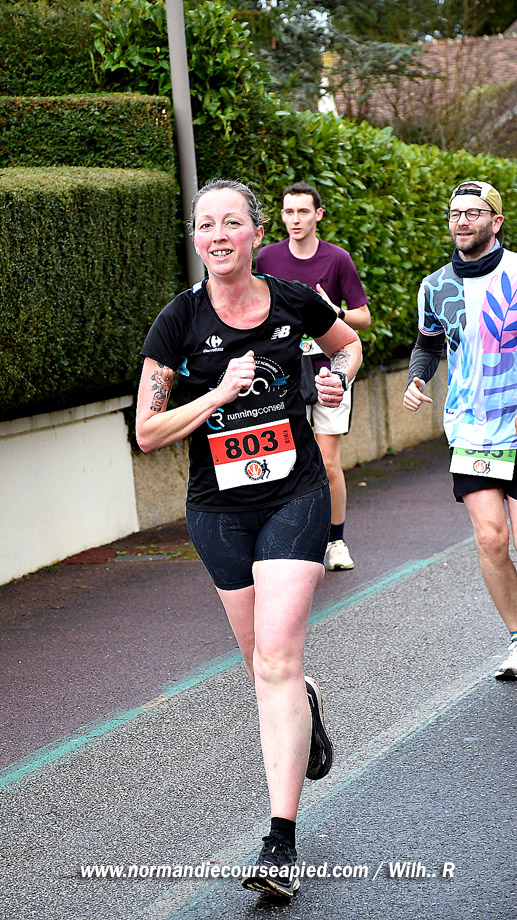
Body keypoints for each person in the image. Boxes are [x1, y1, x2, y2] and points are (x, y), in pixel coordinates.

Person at [136, 179, 362, 898]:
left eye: (231, 222)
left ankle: (279, 842)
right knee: (261, 664)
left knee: (276, 660)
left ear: (255, 234)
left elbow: (348, 346)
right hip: (217, 510)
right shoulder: (177, 321)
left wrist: (333, 380)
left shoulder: (293, 300)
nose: (218, 235)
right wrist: (216, 394)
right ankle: (304, 703)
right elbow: (147, 433)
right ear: (196, 238)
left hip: (295, 495)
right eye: (206, 225)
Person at [403, 179, 517, 681]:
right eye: (455, 214)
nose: (462, 221)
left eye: (473, 213)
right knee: (491, 539)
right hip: (471, 429)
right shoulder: (435, 286)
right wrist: (416, 378)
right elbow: (428, 344)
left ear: (496, 221)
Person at [256, 182, 370, 572]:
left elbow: (363, 317)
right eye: (289, 212)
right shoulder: (267, 258)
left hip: (329, 369)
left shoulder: (337, 259)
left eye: (303, 211)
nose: (295, 219)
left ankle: (336, 541)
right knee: (283, 459)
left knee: (327, 460)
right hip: (283, 372)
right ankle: (293, 539)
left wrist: (333, 311)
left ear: (318, 215)